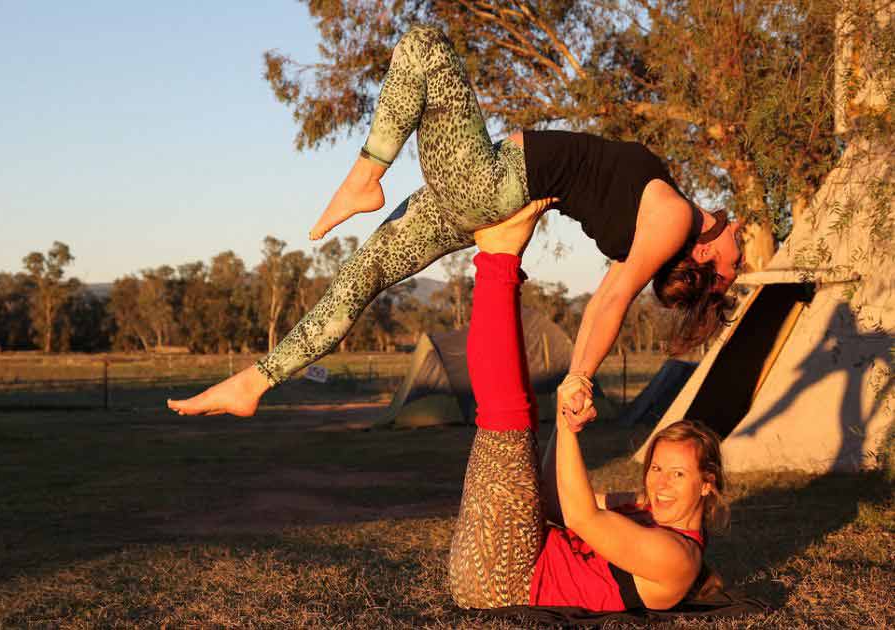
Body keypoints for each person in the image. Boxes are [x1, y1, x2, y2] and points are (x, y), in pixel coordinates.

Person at [167, 24, 742, 418]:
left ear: (707, 260)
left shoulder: (670, 218)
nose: (743, 242)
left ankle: (366, 175)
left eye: (737, 264)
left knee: (424, 46)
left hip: (487, 181)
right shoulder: (658, 221)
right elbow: (611, 291)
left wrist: (579, 377)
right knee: (362, 274)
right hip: (476, 197)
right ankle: (258, 380)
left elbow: (611, 299)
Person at [448, 206, 728, 610]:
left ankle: (498, 258)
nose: (660, 484)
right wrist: (565, 416)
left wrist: (570, 431)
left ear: (707, 482)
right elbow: (555, 498)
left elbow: (582, 519)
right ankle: (499, 258)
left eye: (678, 473)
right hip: (526, 551)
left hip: (505, 580)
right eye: (657, 469)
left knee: (506, 419)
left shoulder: (677, 558)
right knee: (518, 418)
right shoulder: (645, 506)